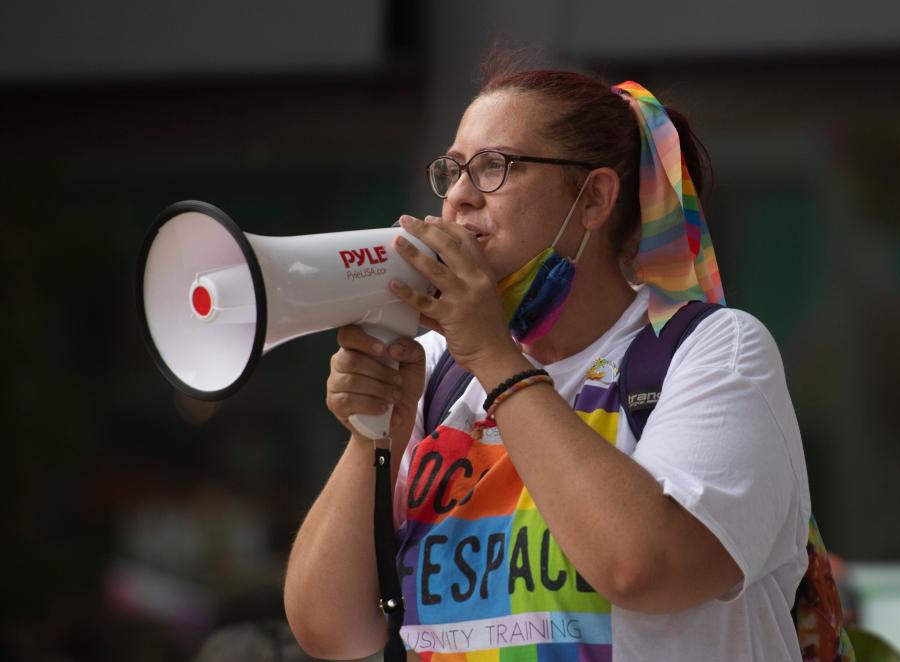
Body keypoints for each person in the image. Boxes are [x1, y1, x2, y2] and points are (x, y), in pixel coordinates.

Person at [284, 68, 815, 661]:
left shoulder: (712, 350)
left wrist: (493, 356)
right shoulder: (439, 371)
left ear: (594, 198)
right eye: (451, 171)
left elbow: (641, 567)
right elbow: (329, 629)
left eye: (494, 167)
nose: (458, 196)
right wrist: (373, 438)